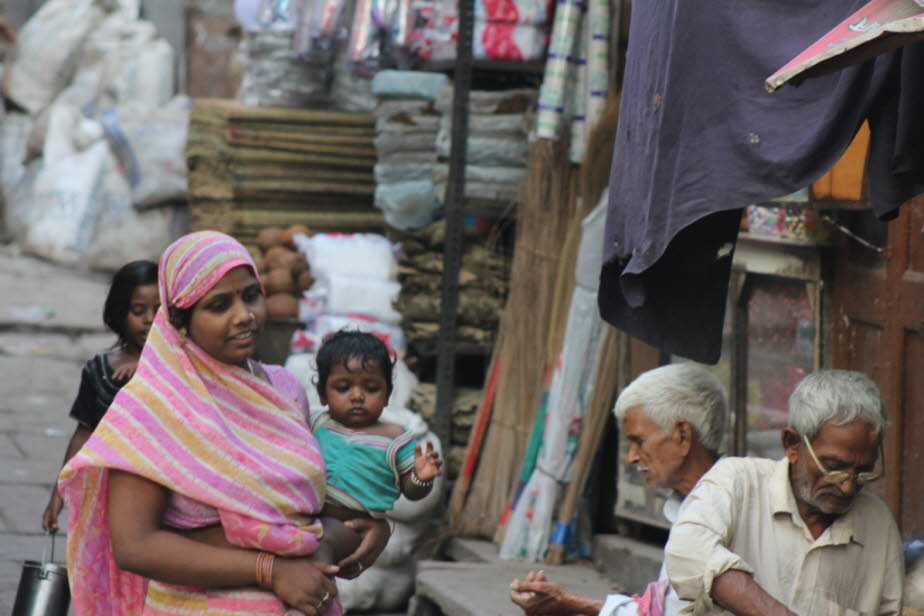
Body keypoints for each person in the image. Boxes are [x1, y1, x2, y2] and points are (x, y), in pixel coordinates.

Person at [58, 231, 391, 616]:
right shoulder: (153, 407)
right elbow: (135, 545)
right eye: (219, 305)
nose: (244, 315)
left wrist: (357, 534)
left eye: (250, 295)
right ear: (181, 320)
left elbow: (309, 512)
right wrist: (271, 570)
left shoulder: (283, 390)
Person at [664, 370, 904, 615]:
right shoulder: (738, 482)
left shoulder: (877, 525)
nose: (848, 486)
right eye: (833, 467)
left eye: (863, 471)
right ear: (792, 444)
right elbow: (687, 550)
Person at [509, 363, 729, 616]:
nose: (632, 457)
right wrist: (568, 604)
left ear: (682, 435)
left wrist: (569, 603)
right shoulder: (693, 503)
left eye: (639, 441)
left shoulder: (720, 505)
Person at [41, 260, 159, 534]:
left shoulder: (181, 366)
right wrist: (58, 493)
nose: (150, 319)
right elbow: (84, 433)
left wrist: (150, 367)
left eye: (159, 310)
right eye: (138, 311)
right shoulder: (99, 371)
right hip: (108, 494)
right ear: (119, 314)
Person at [311, 330, 442, 522]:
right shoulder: (315, 424)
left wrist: (421, 479)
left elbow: (412, 492)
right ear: (322, 393)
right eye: (343, 388)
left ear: (388, 394)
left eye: (371, 388)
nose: (357, 396)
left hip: (356, 528)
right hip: (309, 516)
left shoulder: (395, 438)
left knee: (322, 550)